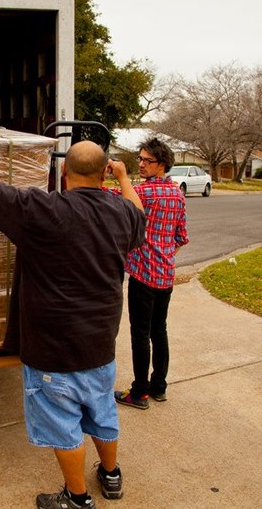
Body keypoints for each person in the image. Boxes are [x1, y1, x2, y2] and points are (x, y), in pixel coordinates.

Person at [0, 132, 146, 509]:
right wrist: (124, 178)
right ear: (104, 174)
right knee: (102, 411)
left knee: (63, 423)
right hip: (100, 342)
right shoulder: (121, 213)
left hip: (53, 348)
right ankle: (111, 475)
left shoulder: (42, 209)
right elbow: (138, 213)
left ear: (64, 173)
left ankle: (77, 498)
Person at [112, 138, 189, 410]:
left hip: (143, 275)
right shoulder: (178, 194)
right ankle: (159, 387)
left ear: (162, 164)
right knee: (159, 330)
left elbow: (109, 196)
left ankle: (139, 393)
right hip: (166, 276)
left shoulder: (142, 193)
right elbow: (181, 237)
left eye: (148, 161)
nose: (142, 164)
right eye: (141, 159)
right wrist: (164, 255)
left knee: (140, 334)